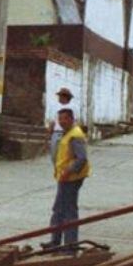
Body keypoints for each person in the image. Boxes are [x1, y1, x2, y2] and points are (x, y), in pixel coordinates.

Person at [43, 93, 89, 252]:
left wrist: (68, 172)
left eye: (64, 119)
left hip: (71, 178)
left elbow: (81, 158)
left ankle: (70, 245)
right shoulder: (67, 133)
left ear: (71, 119)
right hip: (64, 177)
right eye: (60, 120)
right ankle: (55, 241)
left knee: (68, 211)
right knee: (58, 209)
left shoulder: (75, 135)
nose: (61, 122)